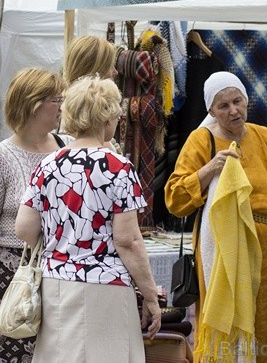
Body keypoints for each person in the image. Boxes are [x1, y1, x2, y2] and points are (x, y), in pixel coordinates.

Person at [164, 71, 267, 363]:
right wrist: (209, 169)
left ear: (247, 100)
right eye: (223, 106)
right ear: (211, 110)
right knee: (233, 327)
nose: (233, 110)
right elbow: (175, 198)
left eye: (237, 101)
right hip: (227, 251)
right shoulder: (201, 141)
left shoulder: (263, 137)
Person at [16, 75, 161, 363]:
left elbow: (24, 228)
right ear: (107, 117)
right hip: (105, 287)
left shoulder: (47, 165)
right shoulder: (118, 167)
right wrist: (150, 296)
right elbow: (128, 240)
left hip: (56, 283)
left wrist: (62, 243)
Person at [0, 67, 68, 362]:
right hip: (15, 271)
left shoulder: (67, 148)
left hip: (58, 267)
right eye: (57, 100)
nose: (63, 107)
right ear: (34, 105)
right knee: (14, 347)